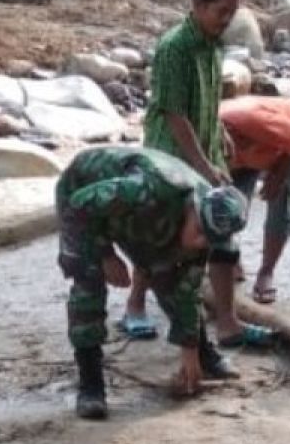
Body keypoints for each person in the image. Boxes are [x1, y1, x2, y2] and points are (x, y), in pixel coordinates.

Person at [120, 0, 274, 348]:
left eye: (231, 13)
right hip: (170, 159)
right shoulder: (175, 47)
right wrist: (204, 166)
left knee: (221, 235)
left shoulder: (213, 44)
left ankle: (228, 323)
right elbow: (174, 115)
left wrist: (218, 133)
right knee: (158, 238)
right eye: (221, 12)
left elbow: (204, 98)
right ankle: (135, 307)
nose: (227, 20)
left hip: (205, 151)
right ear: (198, 5)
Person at [56, 147, 248, 420]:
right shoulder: (144, 189)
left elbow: (187, 288)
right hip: (84, 196)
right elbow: (78, 204)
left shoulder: (209, 223)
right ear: (193, 209)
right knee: (88, 283)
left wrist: (189, 353)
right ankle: (91, 384)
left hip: (143, 215)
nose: (200, 243)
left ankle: (205, 355)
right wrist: (106, 254)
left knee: (169, 276)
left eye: (210, 241)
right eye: (199, 233)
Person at [219, 95, 290, 307]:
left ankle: (266, 272)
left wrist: (279, 174)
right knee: (227, 203)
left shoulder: (258, 125)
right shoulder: (208, 135)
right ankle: (231, 258)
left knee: (281, 199)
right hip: (246, 148)